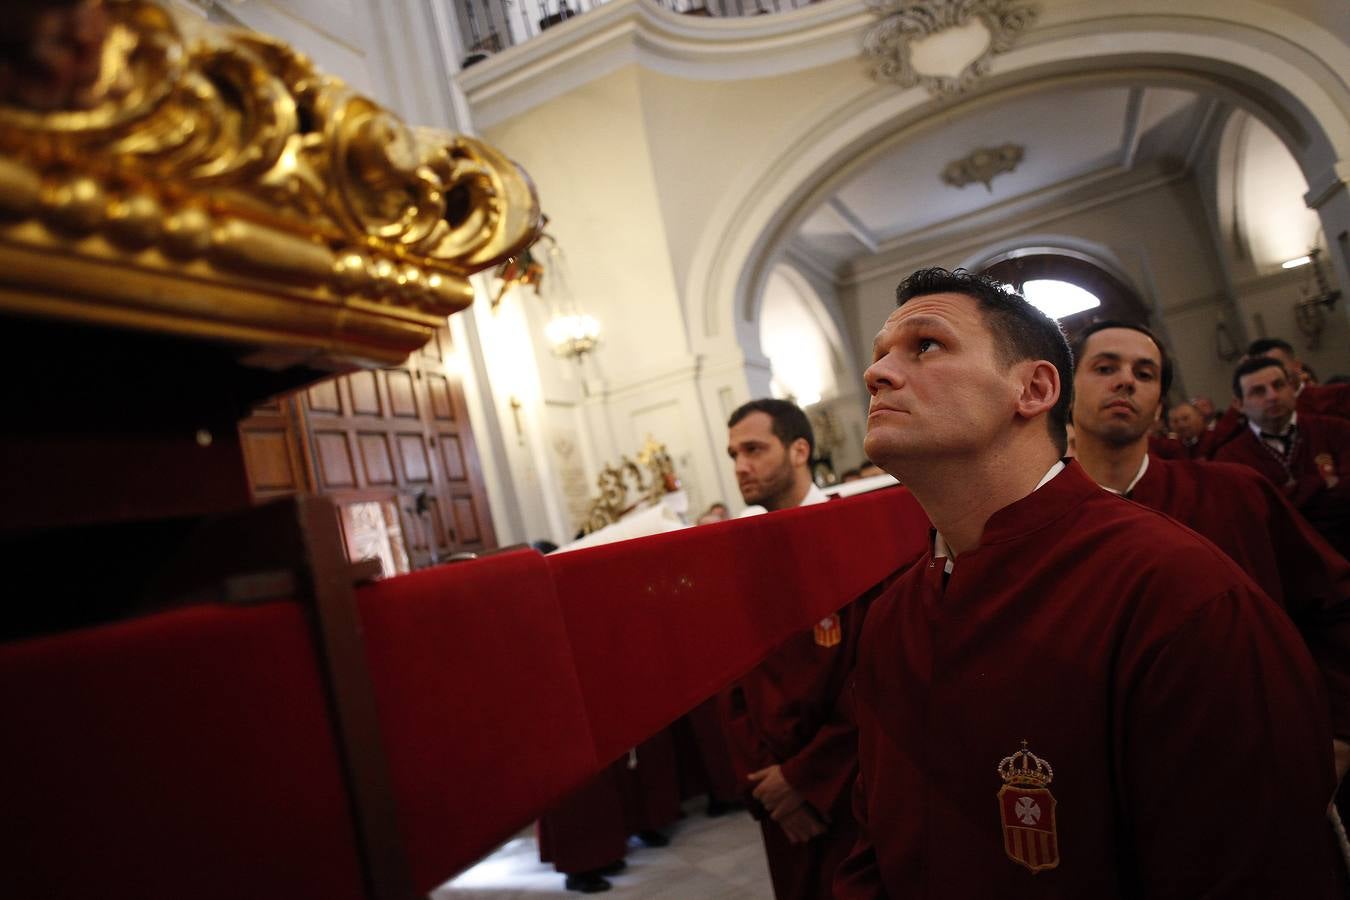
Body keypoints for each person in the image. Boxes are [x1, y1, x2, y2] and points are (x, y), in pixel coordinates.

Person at [835, 267, 1342, 897]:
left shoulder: (1176, 592)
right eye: (880, 354)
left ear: (1035, 388)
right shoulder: (891, 617)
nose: (875, 373)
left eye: (926, 345)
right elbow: (877, 841)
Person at [1070, 320, 1350, 781]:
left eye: (1145, 373)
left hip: (1264, 757)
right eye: (1105, 368)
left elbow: (1333, 603)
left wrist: (1340, 731)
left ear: (1159, 405)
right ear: (1066, 390)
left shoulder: (1234, 493)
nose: (1125, 381)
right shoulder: (1040, 519)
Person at [719, 398, 874, 899]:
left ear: (799, 449)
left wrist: (805, 779)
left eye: (754, 450)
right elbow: (730, 680)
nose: (741, 466)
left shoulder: (852, 536)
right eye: (733, 454)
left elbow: (872, 676)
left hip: (848, 784)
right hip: (778, 795)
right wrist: (766, 784)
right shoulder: (734, 553)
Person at [1215, 356, 1350, 558]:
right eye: (1258, 391)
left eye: (1279, 385)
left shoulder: (1335, 429)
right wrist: (1321, 483)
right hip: (1290, 561)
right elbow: (1255, 520)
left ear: (1293, 387)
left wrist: (1284, 496)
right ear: (1239, 404)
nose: (1272, 396)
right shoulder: (1229, 458)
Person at [1248, 337, 1350, 419]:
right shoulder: (1262, 417)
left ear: (1297, 365)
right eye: (1261, 370)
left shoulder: (1337, 397)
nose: (1271, 375)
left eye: (1277, 366)